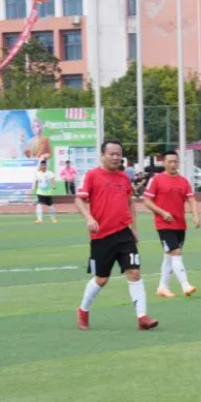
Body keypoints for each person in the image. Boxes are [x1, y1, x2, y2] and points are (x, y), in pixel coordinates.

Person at [74, 140, 159, 332]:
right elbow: (79, 200)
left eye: (118, 154)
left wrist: (134, 228)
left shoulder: (124, 178)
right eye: (111, 154)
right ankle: (83, 310)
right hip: (101, 236)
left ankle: (142, 317)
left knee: (134, 272)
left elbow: (130, 204)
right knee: (101, 279)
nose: (115, 157)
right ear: (102, 155)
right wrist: (89, 218)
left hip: (124, 233)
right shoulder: (92, 175)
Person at [142, 150, 200, 299]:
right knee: (176, 253)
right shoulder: (156, 180)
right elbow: (147, 201)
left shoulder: (183, 181)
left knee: (169, 256)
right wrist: (162, 213)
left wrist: (195, 215)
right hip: (164, 224)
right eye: (170, 162)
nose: (173, 164)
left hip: (180, 224)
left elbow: (191, 199)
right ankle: (185, 285)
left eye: (175, 161)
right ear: (164, 163)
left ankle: (162, 287)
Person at [32, 159, 57, 224]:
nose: (43, 166)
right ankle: (39, 219)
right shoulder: (38, 173)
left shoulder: (49, 173)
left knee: (50, 206)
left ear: (46, 166)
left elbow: (53, 179)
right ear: (40, 166)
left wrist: (54, 185)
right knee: (39, 205)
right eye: (42, 165)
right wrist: (35, 187)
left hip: (48, 192)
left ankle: (53, 219)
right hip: (40, 192)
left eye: (44, 165)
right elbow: (36, 181)